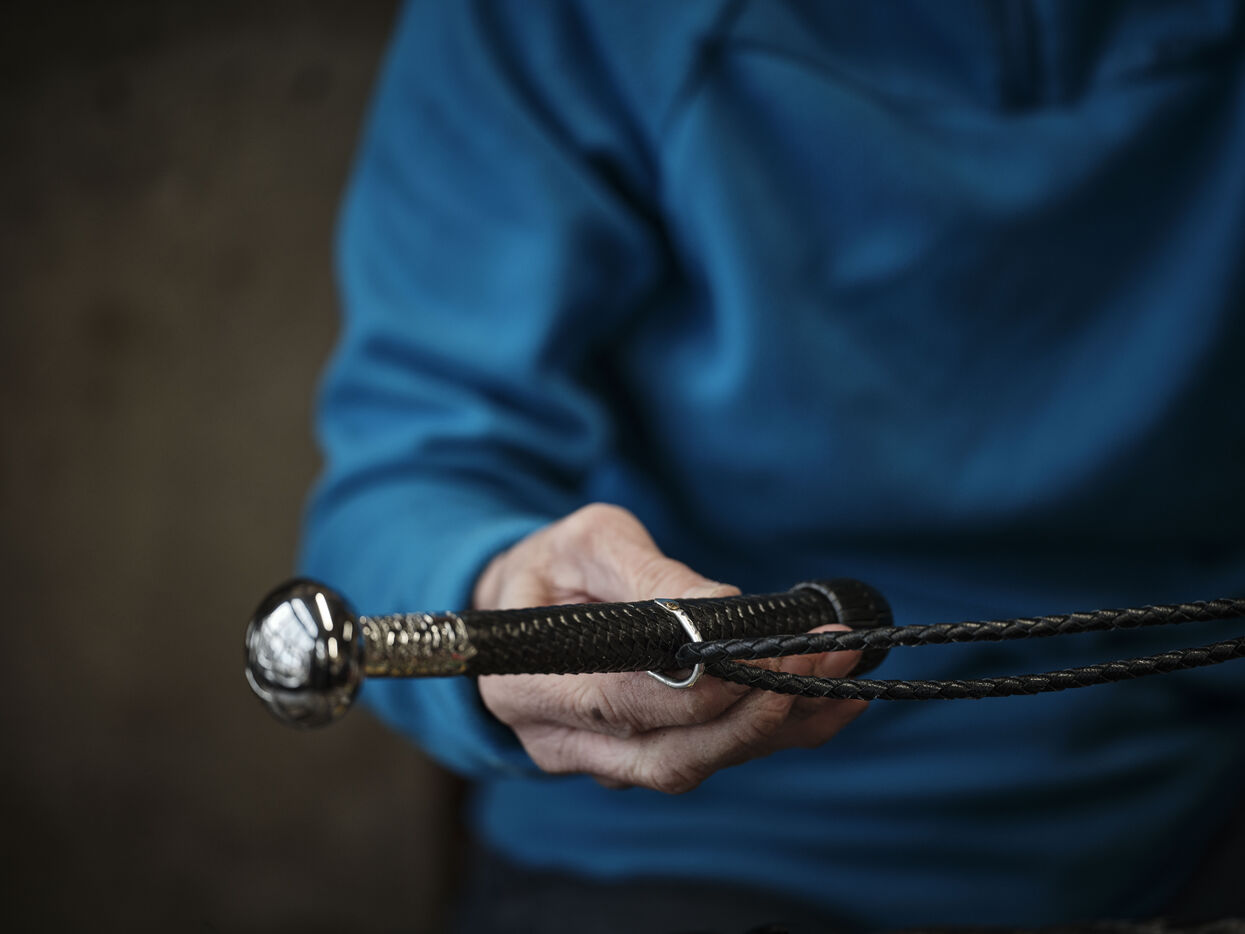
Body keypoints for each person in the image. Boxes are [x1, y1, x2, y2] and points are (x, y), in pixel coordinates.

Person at [299, 2, 1245, 931]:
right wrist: (492, 583)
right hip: (691, 845)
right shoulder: (555, 22)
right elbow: (408, 470)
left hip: (1194, 798)